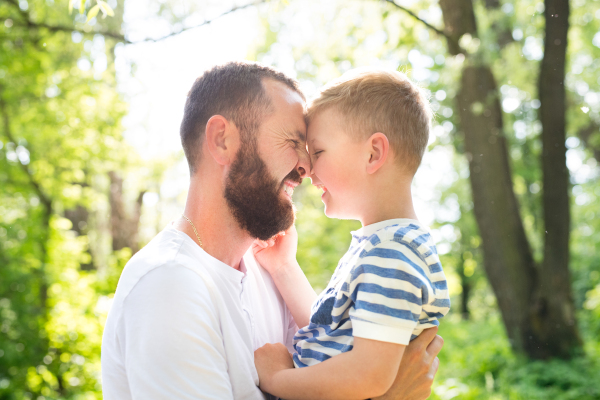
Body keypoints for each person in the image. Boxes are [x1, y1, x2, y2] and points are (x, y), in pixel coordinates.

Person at [101, 61, 443, 400]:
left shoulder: (269, 272)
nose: (307, 166)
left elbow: (330, 354)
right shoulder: (169, 285)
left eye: (314, 150)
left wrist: (283, 269)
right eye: (294, 142)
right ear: (222, 140)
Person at [253, 68, 450, 400]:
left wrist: (277, 380)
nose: (308, 169)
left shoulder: (394, 254)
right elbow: (332, 334)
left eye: (317, 152)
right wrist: (284, 268)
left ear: (373, 153)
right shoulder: (382, 246)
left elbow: (366, 375)